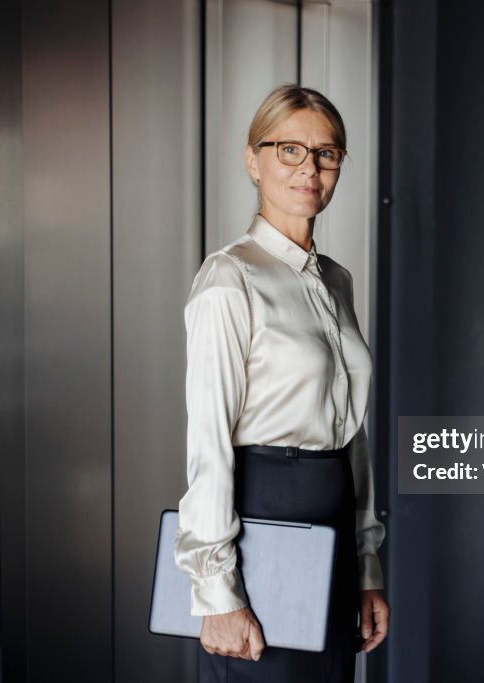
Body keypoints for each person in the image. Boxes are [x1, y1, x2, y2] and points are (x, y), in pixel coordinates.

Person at [174, 84, 390, 682]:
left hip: (335, 523)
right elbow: (209, 444)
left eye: (326, 153)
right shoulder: (229, 278)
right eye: (289, 150)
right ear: (253, 159)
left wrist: (366, 565)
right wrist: (218, 593)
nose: (310, 169)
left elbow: (353, 433)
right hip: (265, 522)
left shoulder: (336, 281)